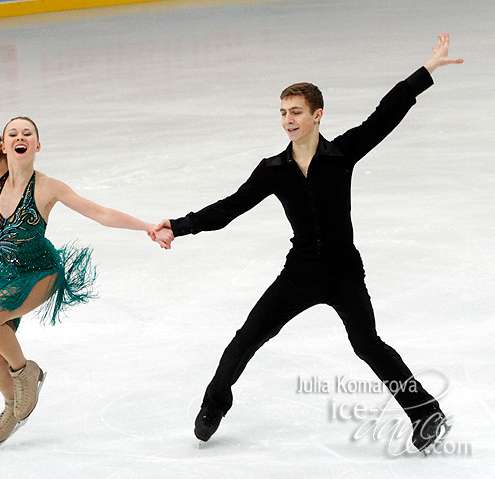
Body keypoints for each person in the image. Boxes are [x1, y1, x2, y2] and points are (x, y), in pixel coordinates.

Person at [154, 33, 463, 453]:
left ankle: (426, 412)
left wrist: (426, 71)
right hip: (299, 274)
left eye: (296, 111)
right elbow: (230, 208)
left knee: (367, 344)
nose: (288, 119)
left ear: (317, 115)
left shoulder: (343, 153)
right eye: (283, 112)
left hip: (343, 272)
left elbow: (385, 115)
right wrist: (178, 225)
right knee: (247, 338)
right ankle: (213, 406)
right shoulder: (273, 170)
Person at [0, 21, 173, 447]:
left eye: (26, 133)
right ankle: (14, 402)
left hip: (40, 274)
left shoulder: (48, 188)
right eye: (12, 132)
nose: (17, 136)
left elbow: (99, 212)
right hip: (6, 272)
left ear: (36, 145)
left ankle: (27, 372)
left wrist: (148, 226)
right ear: (3, 143)